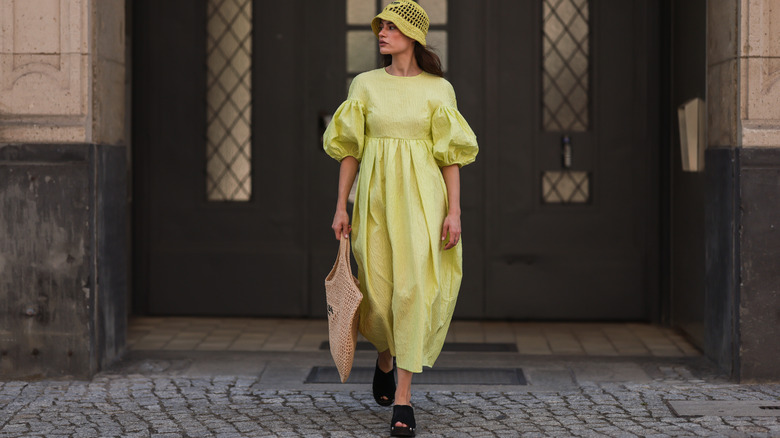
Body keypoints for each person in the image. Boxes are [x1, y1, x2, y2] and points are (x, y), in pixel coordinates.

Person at [323, 1, 478, 436]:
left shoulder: (438, 90)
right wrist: (341, 205)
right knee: (375, 293)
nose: (382, 32)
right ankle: (386, 357)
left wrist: (454, 211)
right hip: (374, 202)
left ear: (413, 36)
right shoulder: (365, 85)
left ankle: (404, 400)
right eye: (380, 26)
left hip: (423, 204)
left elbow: (450, 158)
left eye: (391, 27)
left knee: (412, 291)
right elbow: (350, 149)